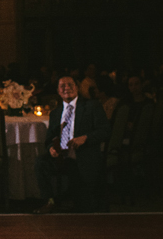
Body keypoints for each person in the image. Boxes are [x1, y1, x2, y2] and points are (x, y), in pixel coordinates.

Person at [34, 75, 111, 213]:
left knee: (83, 207)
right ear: (58, 91)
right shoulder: (56, 113)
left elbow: (105, 130)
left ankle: (68, 199)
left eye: (70, 84)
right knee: (41, 162)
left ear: (77, 87)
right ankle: (50, 201)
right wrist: (51, 148)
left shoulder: (91, 106)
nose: (67, 88)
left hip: (83, 156)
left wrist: (85, 138)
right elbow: (49, 139)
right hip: (62, 157)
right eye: (62, 86)